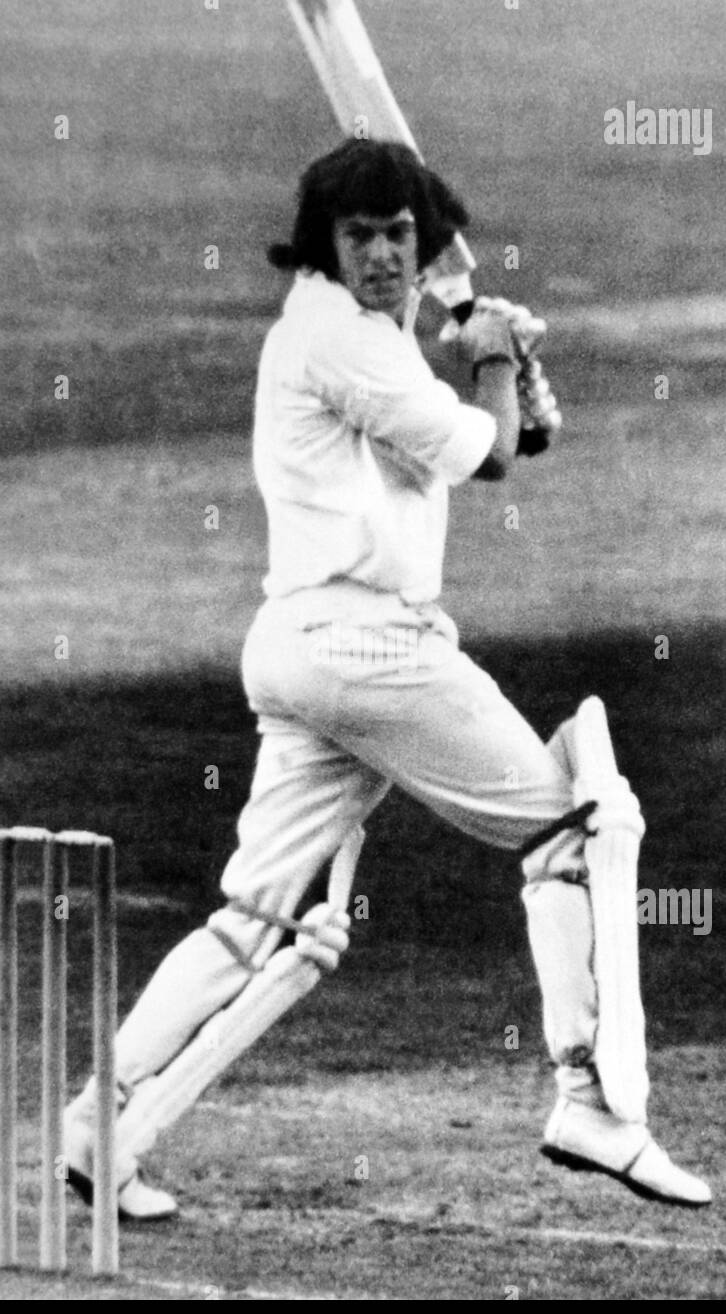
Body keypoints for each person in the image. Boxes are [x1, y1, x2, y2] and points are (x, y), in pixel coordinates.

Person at [65, 138, 710, 1219]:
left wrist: (499, 374)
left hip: (304, 650)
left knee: (252, 915)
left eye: (398, 234)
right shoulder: (337, 340)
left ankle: (95, 1121)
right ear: (322, 246)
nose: (380, 255)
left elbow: (502, 441)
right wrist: (497, 359)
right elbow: (491, 454)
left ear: (423, 239)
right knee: (577, 828)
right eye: (357, 236)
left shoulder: (370, 334)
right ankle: (591, 1099)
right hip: (372, 654)